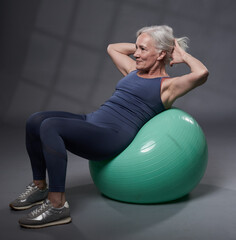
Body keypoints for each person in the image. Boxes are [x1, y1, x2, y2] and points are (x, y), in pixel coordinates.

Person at [9, 25, 208, 228]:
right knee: (35, 120)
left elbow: (201, 73)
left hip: (111, 136)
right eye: (137, 48)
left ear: (161, 55)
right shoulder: (133, 70)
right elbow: (112, 48)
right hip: (92, 120)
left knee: (50, 126)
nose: (136, 54)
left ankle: (57, 205)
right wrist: (146, 45)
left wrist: (181, 54)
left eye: (142, 50)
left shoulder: (167, 86)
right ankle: (39, 186)